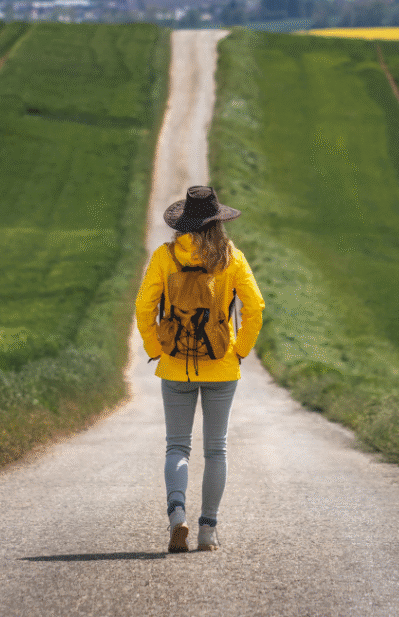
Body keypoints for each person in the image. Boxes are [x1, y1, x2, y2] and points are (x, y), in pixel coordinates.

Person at [135, 186, 264, 553]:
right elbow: (254, 308)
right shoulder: (231, 257)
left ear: (184, 223)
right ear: (218, 222)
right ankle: (208, 529)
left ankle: (178, 515)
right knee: (216, 449)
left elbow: (145, 308)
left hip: (175, 365)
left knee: (177, 446)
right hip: (221, 365)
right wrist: (240, 351)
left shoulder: (165, 256)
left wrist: (155, 349)